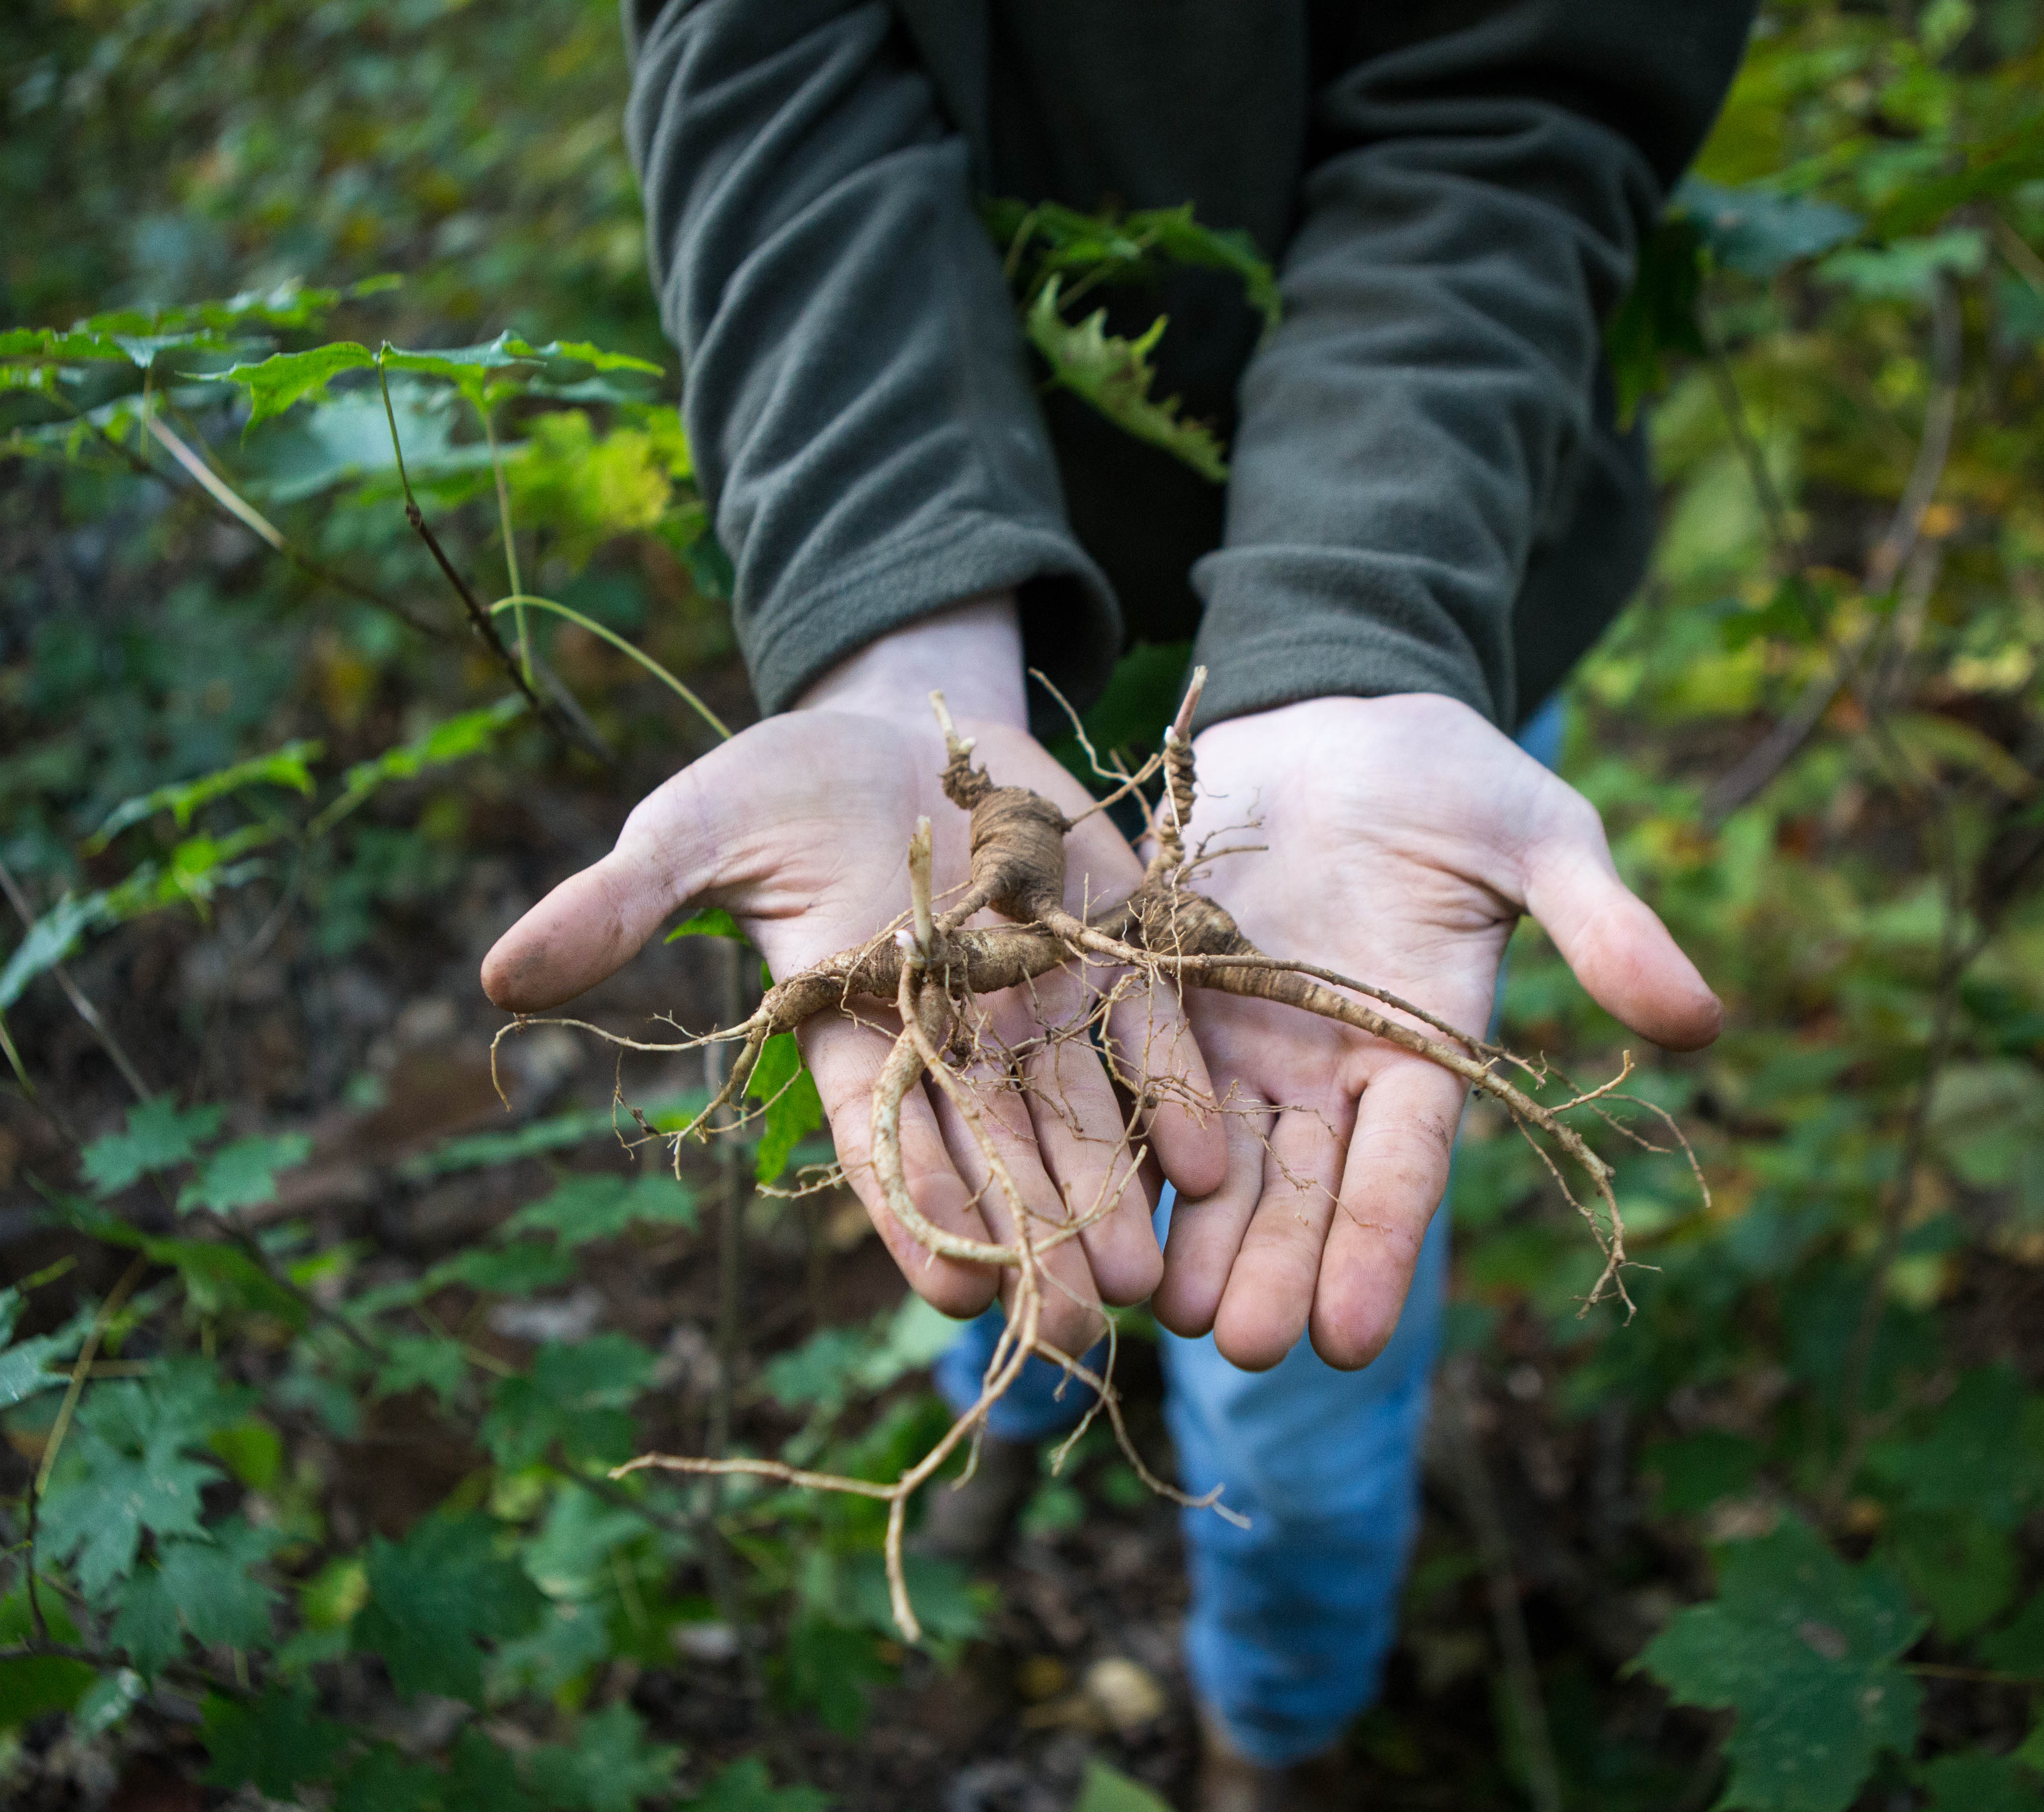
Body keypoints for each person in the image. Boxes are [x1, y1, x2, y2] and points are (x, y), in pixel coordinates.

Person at [483, 3, 1748, 1804]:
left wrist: (1355, 625)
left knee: (1297, 1358)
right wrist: (893, 629)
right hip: (965, 651)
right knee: (993, 1154)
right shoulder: (959, 816)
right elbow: (762, 58)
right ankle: (1013, 1413)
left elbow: (1515, 104)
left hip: (1403, 665)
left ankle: (1272, 1729)